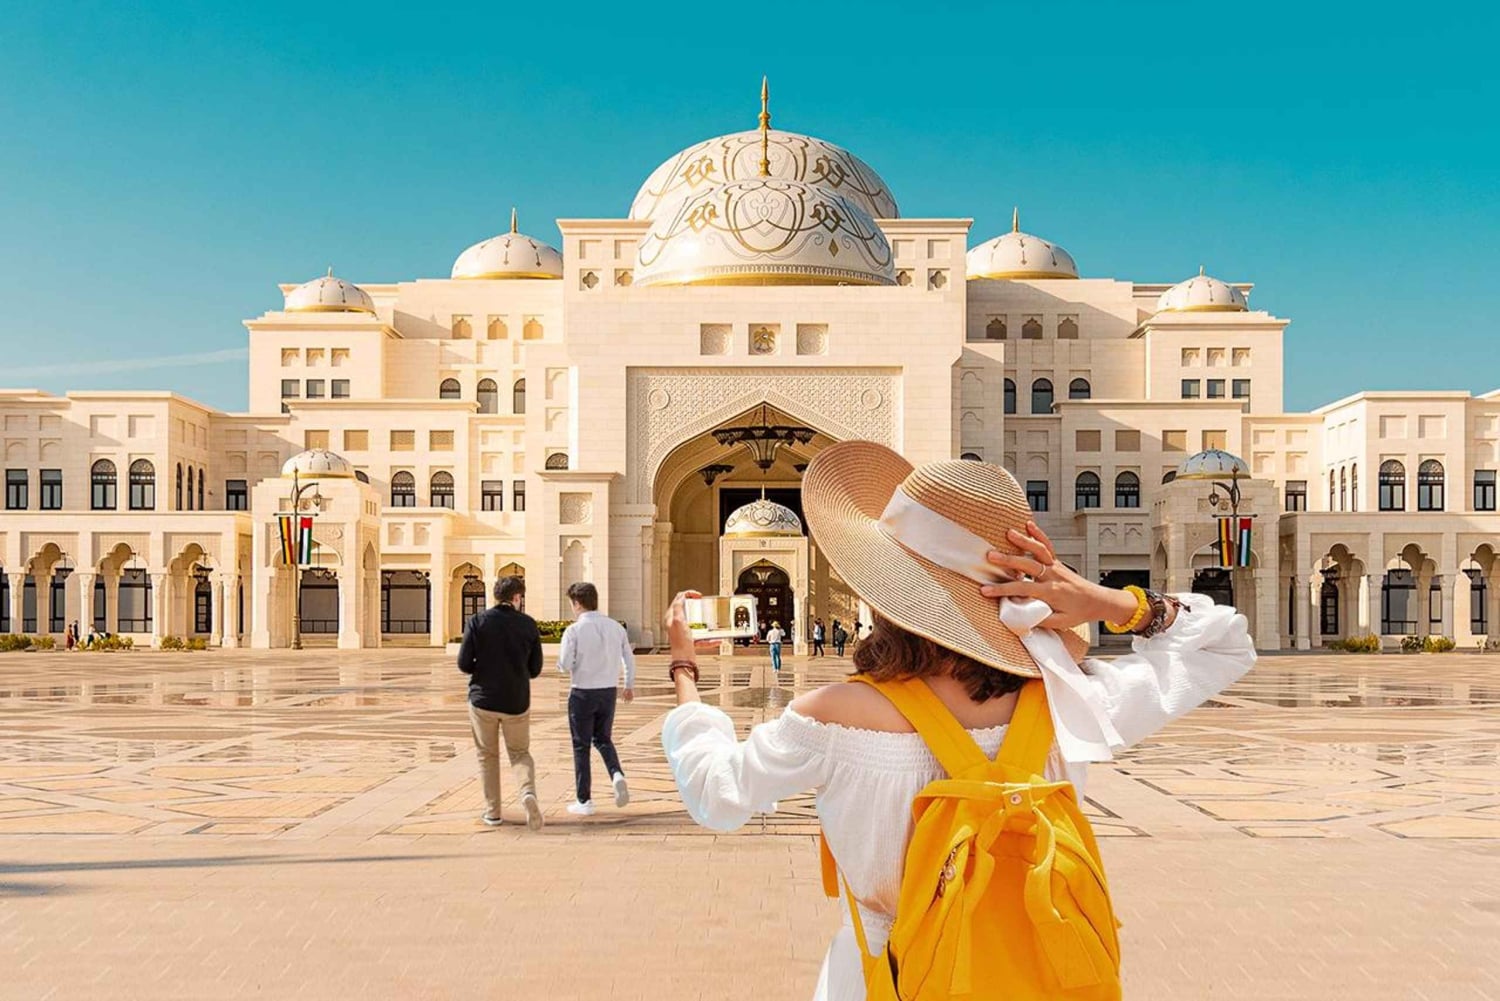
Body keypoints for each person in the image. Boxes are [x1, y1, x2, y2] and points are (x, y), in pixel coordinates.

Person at [659, 442, 1255, 1000]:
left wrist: (685, 667)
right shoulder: (1070, 701)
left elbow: (718, 794)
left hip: (885, 978)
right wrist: (1111, 603)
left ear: (884, 592)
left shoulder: (835, 717)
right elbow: (1224, 648)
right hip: (1031, 977)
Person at [457, 574, 544, 831]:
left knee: (487, 755)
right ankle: (527, 792)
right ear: (517, 597)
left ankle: (493, 812)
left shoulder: (477, 621)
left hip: (483, 700)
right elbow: (535, 669)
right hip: (516, 700)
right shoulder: (527, 625)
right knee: (519, 753)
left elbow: (463, 664)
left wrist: (483, 668)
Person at [558, 581, 635, 817]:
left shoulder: (573, 631)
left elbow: (564, 664)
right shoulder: (615, 627)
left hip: (582, 692)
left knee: (581, 746)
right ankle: (616, 774)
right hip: (608, 692)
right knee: (603, 739)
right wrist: (628, 685)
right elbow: (629, 659)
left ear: (577, 603)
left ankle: (584, 801)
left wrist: (566, 665)